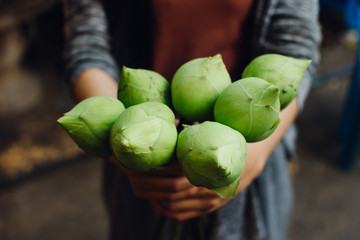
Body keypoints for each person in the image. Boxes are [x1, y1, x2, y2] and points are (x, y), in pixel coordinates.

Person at [63, 0, 321, 239]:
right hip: (136, 156)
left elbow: (295, 49)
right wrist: (120, 142)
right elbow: (87, 43)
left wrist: (254, 154)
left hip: (250, 158)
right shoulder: (127, 141)